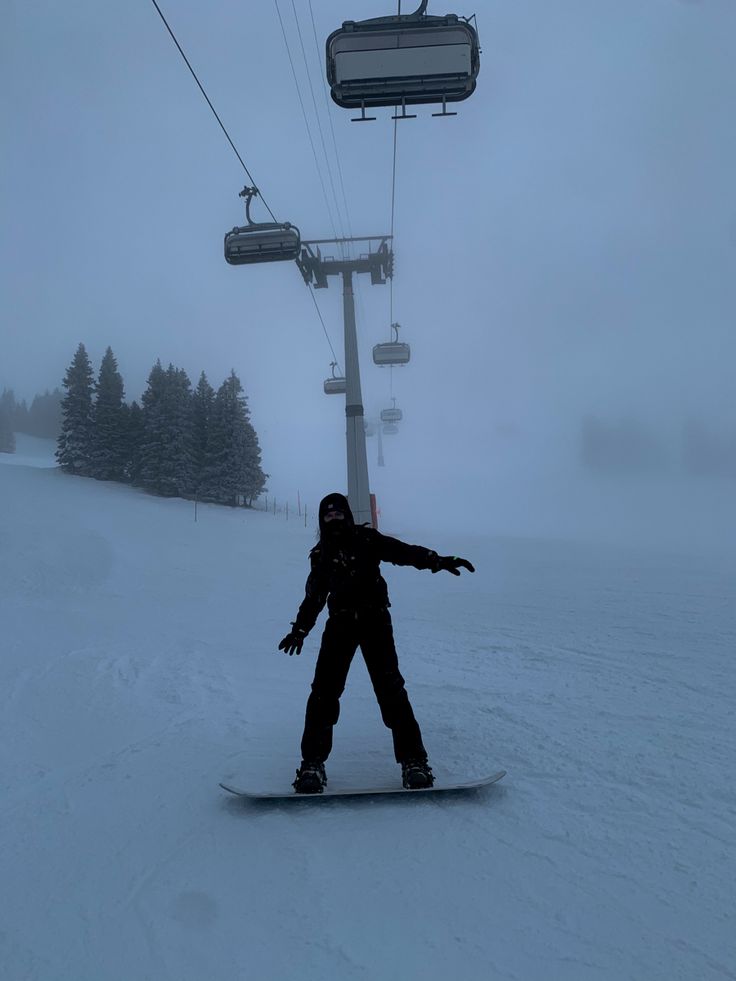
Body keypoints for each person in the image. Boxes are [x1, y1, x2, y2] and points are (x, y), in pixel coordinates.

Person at [278, 493, 475, 794]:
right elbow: (314, 597)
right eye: (328, 516)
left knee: (391, 690)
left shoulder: (367, 540)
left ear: (347, 515)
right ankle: (312, 765)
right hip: (340, 625)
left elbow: (403, 553)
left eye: (338, 514)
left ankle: (414, 762)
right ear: (322, 521)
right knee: (323, 694)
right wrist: (300, 630)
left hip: (375, 622)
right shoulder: (321, 555)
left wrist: (437, 560)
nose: (334, 520)